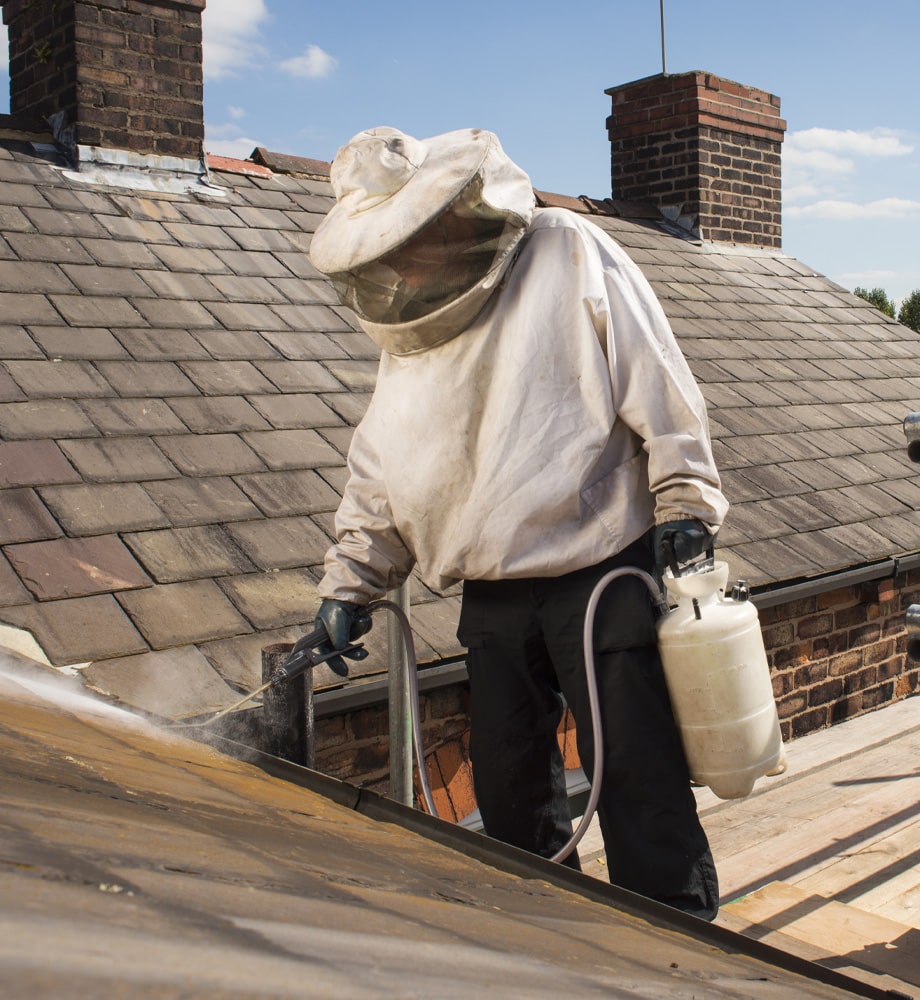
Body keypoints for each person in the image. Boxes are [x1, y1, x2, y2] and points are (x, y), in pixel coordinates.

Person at [306, 126, 729, 919]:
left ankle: (682, 946)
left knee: (635, 775)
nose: (404, 268)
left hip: (599, 563)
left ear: (453, 219)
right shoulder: (413, 330)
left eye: (414, 243)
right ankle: (542, 938)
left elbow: (658, 377)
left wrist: (684, 501)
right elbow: (388, 470)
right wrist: (348, 587)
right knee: (506, 790)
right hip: (494, 591)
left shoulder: (566, 249)